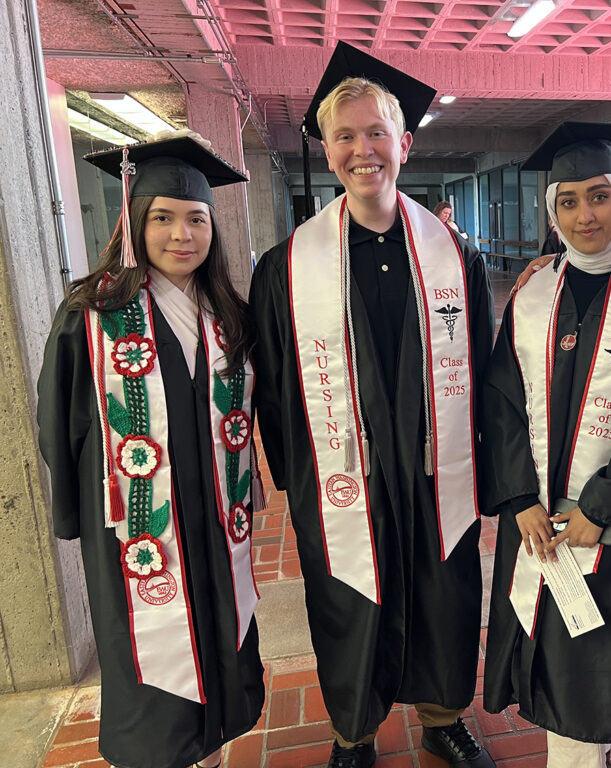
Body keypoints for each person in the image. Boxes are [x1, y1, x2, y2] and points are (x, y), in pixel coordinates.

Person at [248, 42, 495, 768]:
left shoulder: (455, 255)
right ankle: (352, 733)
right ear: (327, 151)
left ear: (405, 143)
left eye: (376, 133)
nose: (363, 150)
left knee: (444, 598)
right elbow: (276, 381)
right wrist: (298, 476)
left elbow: (481, 365)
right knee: (349, 602)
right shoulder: (288, 266)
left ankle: (442, 718)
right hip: (342, 473)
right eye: (346, 136)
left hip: (433, 469)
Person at [37, 132, 265, 768]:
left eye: (197, 219)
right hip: (140, 533)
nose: (181, 235)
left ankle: (213, 749)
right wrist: (81, 514)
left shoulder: (229, 316)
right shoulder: (91, 313)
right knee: (150, 660)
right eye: (161, 218)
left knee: (220, 639)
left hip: (216, 525)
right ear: (134, 223)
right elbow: (60, 427)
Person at [481, 122, 611, 767]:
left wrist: (602, 509)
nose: (585, 214)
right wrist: (517, 496)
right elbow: (503, 398)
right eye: (567, 201)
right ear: (553, 211)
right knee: (541, 635)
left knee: (586, 645)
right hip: (536, 513)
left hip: (603, 519)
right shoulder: (532, 293)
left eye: (599, 196)